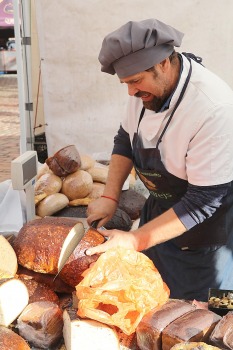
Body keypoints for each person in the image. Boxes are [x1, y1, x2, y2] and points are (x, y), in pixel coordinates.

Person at [86, 18, 233, 301]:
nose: (131, 92)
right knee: (152, 295)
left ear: (164, 63)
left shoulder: (214, 109)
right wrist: (110, 197)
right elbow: (126, 139)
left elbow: (202, 202)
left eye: (135, 81)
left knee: (201, 314)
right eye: (125, 83)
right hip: (160, 210)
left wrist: (134, 239)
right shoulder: (147, 89)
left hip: (204, 229)